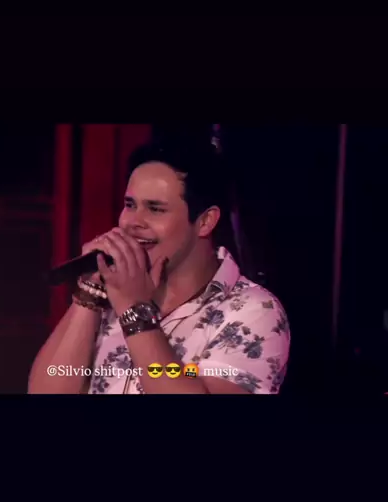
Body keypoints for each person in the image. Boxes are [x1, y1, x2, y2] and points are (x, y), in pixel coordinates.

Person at [28, 139, 290, 395]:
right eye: (130, 205)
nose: (133, 222)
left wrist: (134, 312)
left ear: (205, 221)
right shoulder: (112, 293)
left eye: (155, 209)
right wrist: (90, 292)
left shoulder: (253, 311)